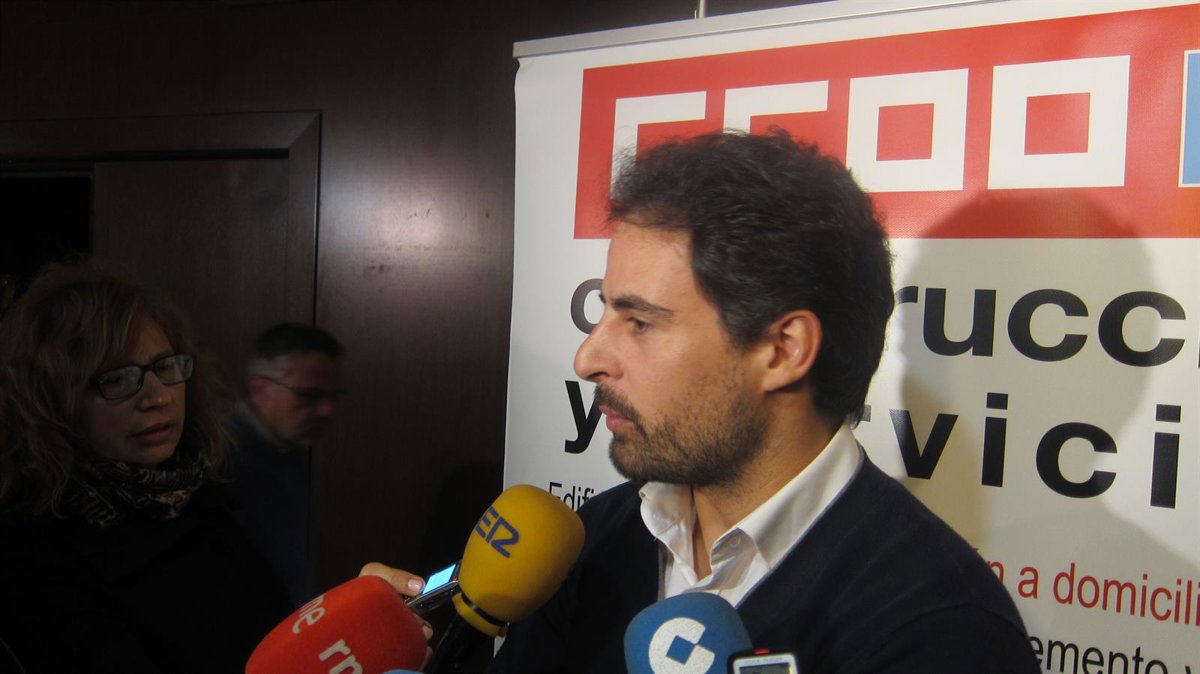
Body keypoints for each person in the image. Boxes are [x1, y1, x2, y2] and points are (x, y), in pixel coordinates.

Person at [369, 130, 1040, 672]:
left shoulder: (943, 632)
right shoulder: (592, 542)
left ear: (782, 349)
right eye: (605, 312)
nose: (587, 358)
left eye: (639, 322)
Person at [0, 265, 291, 673]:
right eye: (118, 379)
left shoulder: (197, 496)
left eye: (164, 367)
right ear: (51, 401)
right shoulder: (33, 553)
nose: (158, 397)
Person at [229, 322, 344, 607]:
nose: (326, 410)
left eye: (333, 397)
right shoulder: (221, 461)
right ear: (260, 389)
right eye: (308, 395)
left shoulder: (289, 452)